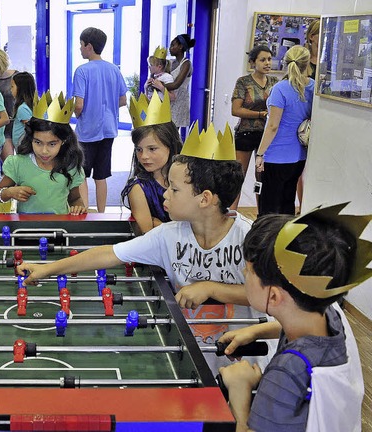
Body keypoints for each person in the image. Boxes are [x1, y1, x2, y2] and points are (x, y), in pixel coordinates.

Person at [19, 122, 262, 372]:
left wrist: (211, 288)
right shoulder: (169, 235)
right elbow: (108, 254)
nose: (165, 195)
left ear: (205, 198)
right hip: (189, 349)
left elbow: (268, 295)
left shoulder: (249, 237)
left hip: (242, 357)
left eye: (175, 190)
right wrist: (46, 270)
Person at [218, 203, 370, 432]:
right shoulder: (328, 313)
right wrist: (254, 331)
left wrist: (240, 391)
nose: (243, 274)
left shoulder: (286, 372)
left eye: (248, 271)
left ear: (275, 295)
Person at [0, 92, 86, 215]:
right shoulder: (18, 163)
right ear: (31, 138)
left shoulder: (69, 166)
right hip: (27, 231)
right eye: (38, 142)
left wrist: (78, 207)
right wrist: (10, 192)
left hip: (58, 231)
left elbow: (75, 199)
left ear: (63, 141)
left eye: (52, 144)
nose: (44, 150)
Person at [72, 27, 128, 213]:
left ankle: (85, 211)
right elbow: (123, 100)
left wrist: (77, 115)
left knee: (82, 175)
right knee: (101, 175)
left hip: (87, 130)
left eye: (81, 45)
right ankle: (102, 213)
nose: (79, 49)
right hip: (109, 129)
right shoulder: (114, 69)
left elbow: (78, 104)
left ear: (88, 46)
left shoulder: (82, 71)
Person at [255, 45, 313, 217]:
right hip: (299, 156)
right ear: (307, 63)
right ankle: (284, 240)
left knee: (269, 207)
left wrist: (260, 154)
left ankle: (266, 242)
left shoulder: (280, 89)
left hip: (276, 157)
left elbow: (272, 126)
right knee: (287, 203)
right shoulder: (313, 87)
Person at [121, 93, 181, 234]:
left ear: (170, 145)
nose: (144, 156)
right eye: (139, 149)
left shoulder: (189, 180)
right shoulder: (138, 188)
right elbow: (148, 235)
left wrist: (160, 225)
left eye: (152, 149)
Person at [230, 46, 278, 210]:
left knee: (261, 177)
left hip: (266, 136)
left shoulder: (274, 83)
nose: (267, 63)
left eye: (269, 59)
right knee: (238, 176)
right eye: (262, 59)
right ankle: (232, 212)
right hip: (246, 133)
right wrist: (260, 114)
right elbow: (236, 110)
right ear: (253, 62)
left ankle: (261, 213)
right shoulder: (244, 82)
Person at [164, 33, 196, 139]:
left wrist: (160, 85)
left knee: (172, 133)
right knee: (165, 132)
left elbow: (176, 84)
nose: (170, 48)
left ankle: (174, 154)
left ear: (181, 46)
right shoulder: (171, 63)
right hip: (168, 99)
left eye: (173, 45)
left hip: (179, 100)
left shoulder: (186, 64)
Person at [10, 71, 36, 149]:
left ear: (21, 88)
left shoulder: (22, 108)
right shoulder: (29, 105)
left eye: (12, 87)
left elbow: (30, 128)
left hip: (24, 147)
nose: (10, 90)